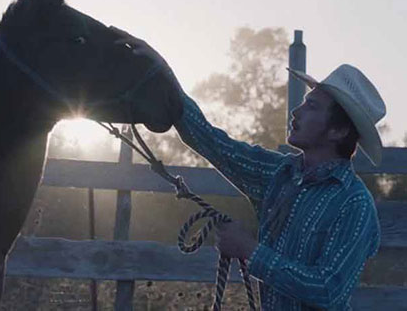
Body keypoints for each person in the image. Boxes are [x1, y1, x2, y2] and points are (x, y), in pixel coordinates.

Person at [111, 26, 385, 310]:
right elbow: (212, 142)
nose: (296, 111)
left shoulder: (354, 204)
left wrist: (249, 250)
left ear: (338, 131)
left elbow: (328, 290)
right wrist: (164, 73)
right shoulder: (279, 174)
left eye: (312, 106)